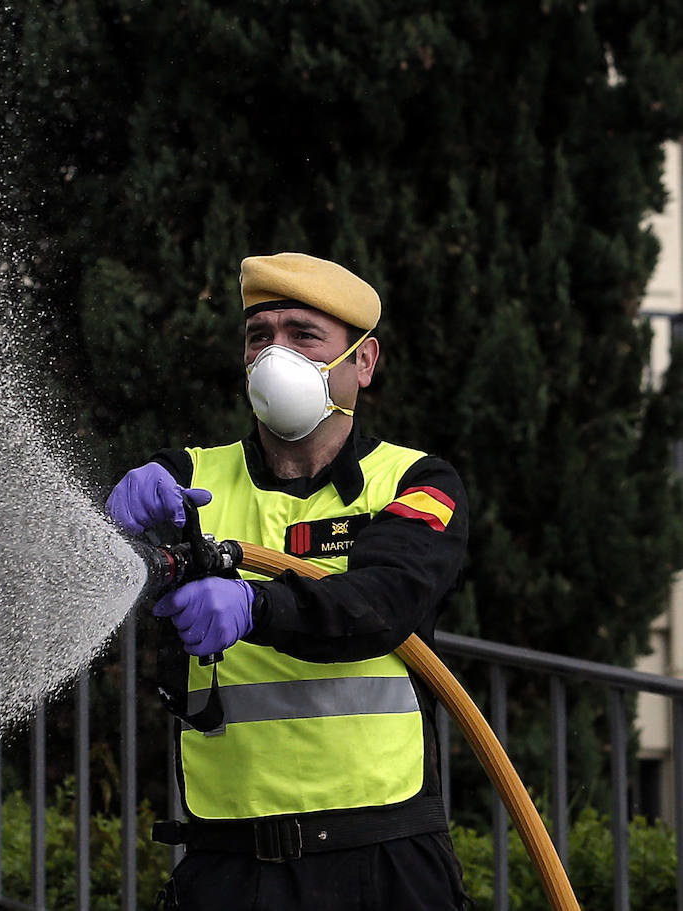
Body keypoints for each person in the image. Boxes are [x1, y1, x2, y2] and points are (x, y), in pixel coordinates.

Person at [106, 252, 470, 910]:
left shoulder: (417, 483)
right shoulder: (188, 480)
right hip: (230, 863)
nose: (274, 353)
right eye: (258, 335)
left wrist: (254, 605)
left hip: (382, 861)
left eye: (303, 334)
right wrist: (112, 525)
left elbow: (380, 606)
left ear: (363, 360)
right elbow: (106, 575)